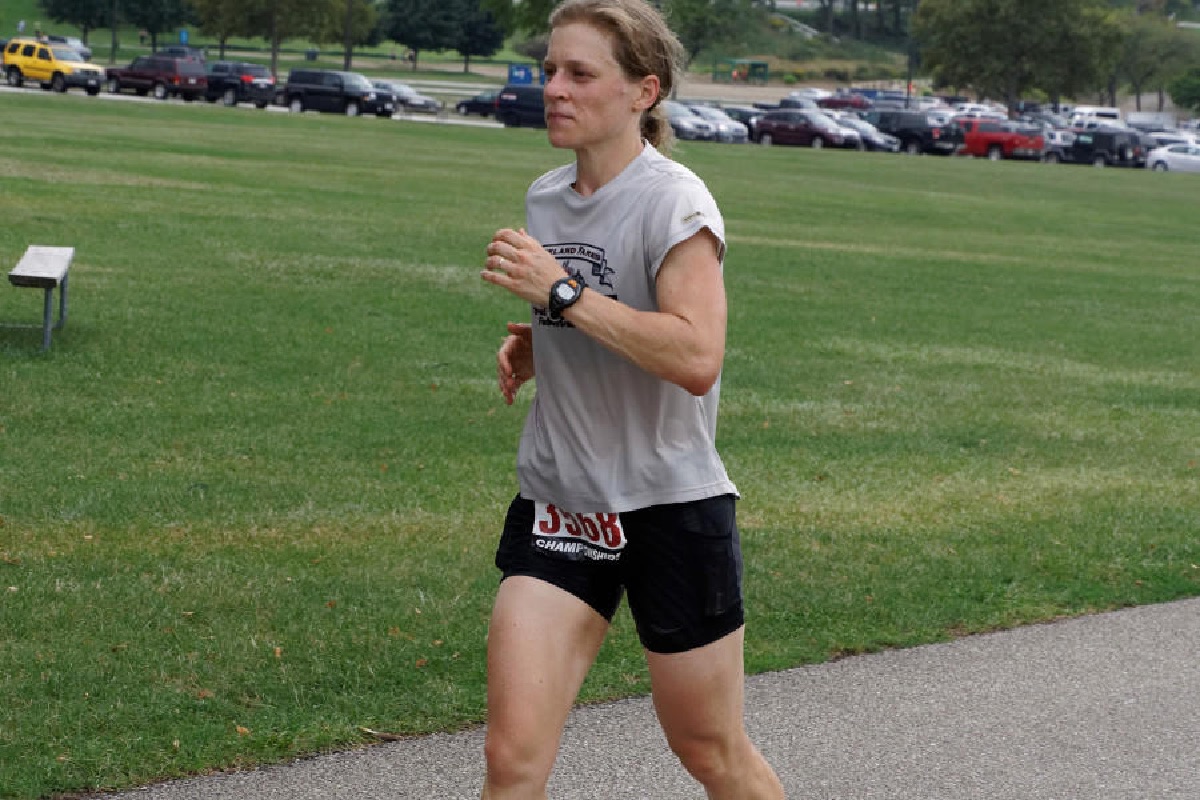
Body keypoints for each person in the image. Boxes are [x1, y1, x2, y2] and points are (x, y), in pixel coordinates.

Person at [478, 1, 785, 798]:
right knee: (511, 760)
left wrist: (562, 295)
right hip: (561, 503)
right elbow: (597, 311)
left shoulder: (675, 203)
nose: (554, 88)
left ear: (643, 91)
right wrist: (545, 342)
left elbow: (695, 355)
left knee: (710, 751)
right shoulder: (547, 197)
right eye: (550, 70)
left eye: (580, 74)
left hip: (668, 508)